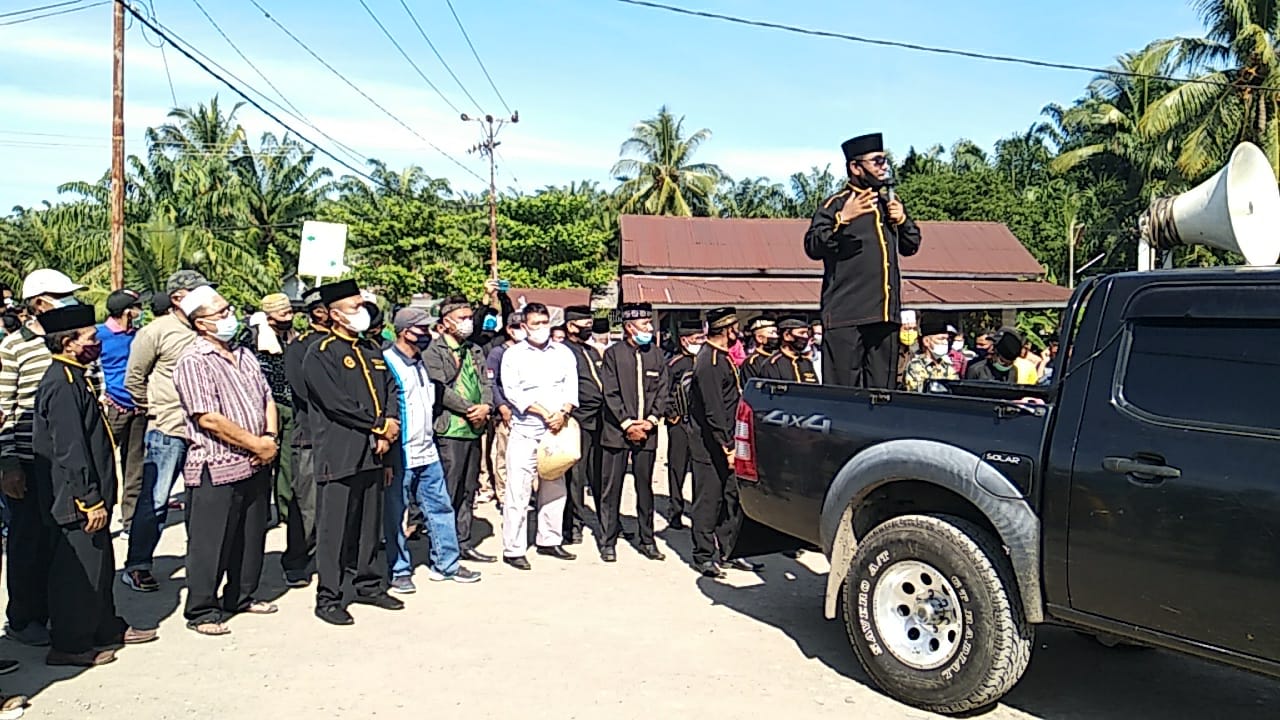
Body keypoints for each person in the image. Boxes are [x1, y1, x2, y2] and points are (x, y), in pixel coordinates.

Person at [35, 303, 158, 667]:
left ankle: (105, 627)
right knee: (77, 574)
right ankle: (70, 644)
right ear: (70, 343)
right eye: (90, 338)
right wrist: (89, 499)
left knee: (101, 567)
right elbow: (70, 449)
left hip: (94, 494)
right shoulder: (61, 383)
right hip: (75, 500)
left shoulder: (78, 376)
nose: (97, 342)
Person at [173, 286, 279, 636]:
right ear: (202, 324)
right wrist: (254, 444)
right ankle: (202, 609)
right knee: (211, 540)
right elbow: (208, 418)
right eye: (221, 313)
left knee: (251, 534)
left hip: (257, 460)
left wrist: (270, 439)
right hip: (216, 463)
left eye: (229, 309)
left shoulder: (244, 354)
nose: (229, 317)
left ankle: (242, 595)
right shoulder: (194, 361)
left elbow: (267, 397)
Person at [302, 280, 403, 625]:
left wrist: (390, 423)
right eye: (353, 307)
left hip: (375, 452)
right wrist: (378, 424)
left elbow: (390, 387)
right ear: (333, 314)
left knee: (368, 525)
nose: (360, 313)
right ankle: (329, 596)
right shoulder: (321, 352)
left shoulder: (371, 349)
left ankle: (369, 584)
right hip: (340, 451)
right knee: (335, 528)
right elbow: (335, 402)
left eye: (362, 306)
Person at [1, 268, 87, 648]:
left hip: (63, 458)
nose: (68, 301)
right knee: (27, 539)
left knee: (59, 539)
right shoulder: (13, 347)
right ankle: (24, 617)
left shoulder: (68, 338)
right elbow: (3, 404)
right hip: (28, 459)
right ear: (38, 304)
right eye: (60, 295)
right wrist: (8, 463)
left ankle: (58, 610)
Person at [805, 133, 923, 388]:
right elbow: (812, 246)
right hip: (846, 316)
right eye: (877, 161)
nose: (884, 166)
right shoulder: (835, 204)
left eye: (885, 160)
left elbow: (911, 245)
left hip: (885, 315)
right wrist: (842, 219)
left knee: (882, 395)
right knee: (843, 396)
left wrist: (902, 220)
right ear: (855, 167)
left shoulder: (889, 202)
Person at [382, 308, 481, 593]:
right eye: (421, 330)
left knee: (440, 507)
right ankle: (399, 569)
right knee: (396, 513)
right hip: (401, 453)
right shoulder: (388, 362)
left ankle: (447, 564)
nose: (427, 334)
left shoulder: (423, 363)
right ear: (405, 332)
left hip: (428, 450)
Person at [121, 269, 204, 593]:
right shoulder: (156, 332)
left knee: (201, 502)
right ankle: (138, 564)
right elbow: (134, 378)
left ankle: (203, 565)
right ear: (178, 298)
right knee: (155, 500)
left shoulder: (206, 329)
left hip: (206, 430)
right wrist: (155, 407)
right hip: (168, 429)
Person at [498, 303, 578, 570]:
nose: (541, 328)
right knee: (518, 491)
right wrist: (543, 412)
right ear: (524, 327)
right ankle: (514, 548)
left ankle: (549, 539)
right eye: (535, 324)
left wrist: (563, 413)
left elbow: (571, 387)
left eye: (545, 322)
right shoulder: (514, 355)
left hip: (556, 429)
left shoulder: (563, 353)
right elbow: (513, 392)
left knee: (555, 487)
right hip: (525, 429)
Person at [423, 296, 495, 565]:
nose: (466, 323)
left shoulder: (474, 350)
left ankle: (463, 541)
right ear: (445, 322)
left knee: (468, 488)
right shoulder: (434, 352)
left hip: (475, 430)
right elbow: (440, 389)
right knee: (448, 490)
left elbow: (486, 381)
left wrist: (485, 407)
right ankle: (442, 545)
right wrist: (469, 409)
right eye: (462, 318)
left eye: (468, 317)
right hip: (450, 429)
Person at [688, 307, 760, 578]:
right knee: (709, 500)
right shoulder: (709, 362)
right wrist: (727, 446)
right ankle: (703, 554)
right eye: (735, 328)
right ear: (727, 329)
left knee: (731, 498)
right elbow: (714, 410)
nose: (738, 333)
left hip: (727, 439)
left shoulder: (723, 357)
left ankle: (729, 551)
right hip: (711, 444)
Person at [598, 303, 669, 563]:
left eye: (649, 325)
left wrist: (649, 422)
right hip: (617, 432)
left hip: (647, 432)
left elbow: (663, 391)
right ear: (629, 328)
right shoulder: (613, 354)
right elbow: (610, 392)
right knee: (612, 488)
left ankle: (647, 539)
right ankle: (608, 541)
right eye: (644, 325)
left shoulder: (657, 355)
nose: (648, 329)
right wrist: (628, 424)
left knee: (645, 487)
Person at [279, 288, 327, 588]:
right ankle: (296, 560)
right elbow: (303, 390)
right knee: (306, 505)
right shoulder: (301, 347)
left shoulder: (347, 345)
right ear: (319, 312)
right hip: (310, 435)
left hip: (344, 439)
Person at [246, 293, 297, 528]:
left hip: (289, 405)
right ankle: (261, 514)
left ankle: (285, 510)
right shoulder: (253, 337)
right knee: (264, 461)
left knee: (287, 464)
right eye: (283, 313)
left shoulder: (290, 337)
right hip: (264, 406)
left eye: (290, 312)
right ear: (269, 316)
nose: (289, 317)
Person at [97, 289, 146, 532]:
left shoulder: (139, 336)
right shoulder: (99, 335)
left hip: (137, 407)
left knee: (135, 465)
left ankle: (131, 522)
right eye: (137, 308)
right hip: (112, 406)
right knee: (102, 461)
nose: (139, 312)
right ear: (128, 311)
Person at [561, 306, 604, 545]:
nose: (589, 328)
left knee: (599, 475)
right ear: (571, 326)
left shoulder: (592, 351)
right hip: (576, 421)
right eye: (584, 324)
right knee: (576, 478)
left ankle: (606, 523)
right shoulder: (563, 352)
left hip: (599, 421)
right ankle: (573, 525)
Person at [664, 321, 703, 529]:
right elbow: (664, 392)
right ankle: (675, 510)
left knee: (700, 469)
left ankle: (699, 511)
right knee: (677, 468)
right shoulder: (675, 364)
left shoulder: (707, 362)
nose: (700, 342)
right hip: (680, 423)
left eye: (702, 338)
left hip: (700, 425)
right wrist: (672, 415)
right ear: (684, 340)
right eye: (696, 339)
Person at [484, 311, 523, 514]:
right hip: (506, 413)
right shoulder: (498, 353)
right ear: (509, 330)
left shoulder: (529, 352)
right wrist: (501, 406)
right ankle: (503, 496)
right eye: (517, 327)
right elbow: (491, 382)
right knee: (504, 456)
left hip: (527, 413)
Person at [902, 317, 960, 392]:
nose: (945, 342)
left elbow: (956, 389)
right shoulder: (915, 365)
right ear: (926, 341)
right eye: (940, 339)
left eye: (946, 339)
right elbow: (916, 392)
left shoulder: (947, 366)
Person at [761, 317, 820, 383]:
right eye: (801, 333)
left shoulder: (806, 362)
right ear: (787, 335)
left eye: (807, 333)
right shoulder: (773, 364)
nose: (806, 336)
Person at [740, 316, 779, 380]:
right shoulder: (752, 364)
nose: (776, 336)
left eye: (777, 333)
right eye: (772, 333)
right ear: (760, 338)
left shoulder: (779, 359)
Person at [895, 310, 919, 390]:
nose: (911, 332)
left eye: (914, 329)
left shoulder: (913, 354)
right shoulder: (892, 354)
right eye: (907, 329)